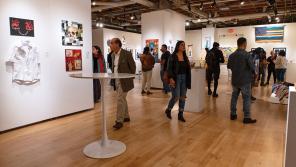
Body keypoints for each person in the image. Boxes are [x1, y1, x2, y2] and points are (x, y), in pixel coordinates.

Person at [227, 37, 257, 124]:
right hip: (245, 80)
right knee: (246, 99)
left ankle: (233, 114)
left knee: (234, 97)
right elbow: (252, 67)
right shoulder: (247, 55)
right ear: (244, 44)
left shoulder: (232, 55)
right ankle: (246, 117)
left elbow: (229, 66)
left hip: (235, 80)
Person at [110, 38, 136, 130]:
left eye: (112, 43)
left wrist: (130, 79)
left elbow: (133, 66)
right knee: (122, 98)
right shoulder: (113, 55)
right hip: (116, 80)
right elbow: (114, 67)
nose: (110, 45)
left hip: (125, 80)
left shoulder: (127, 54)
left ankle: (119, 121)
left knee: (120, 99)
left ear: (117, 44)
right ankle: (126, 116)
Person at [165, 41, 191, 122]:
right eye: (182, 45)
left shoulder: (185, 57)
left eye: (184, 45)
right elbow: (169, 68)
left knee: (183, 97)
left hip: (184, 78)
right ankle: (168, 109)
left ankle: (180, 114)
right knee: (176, 96)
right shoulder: (173, 56)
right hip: (176, 78)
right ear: (178, 46)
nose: (183, 46)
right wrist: (171, 78)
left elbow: (187, 69)